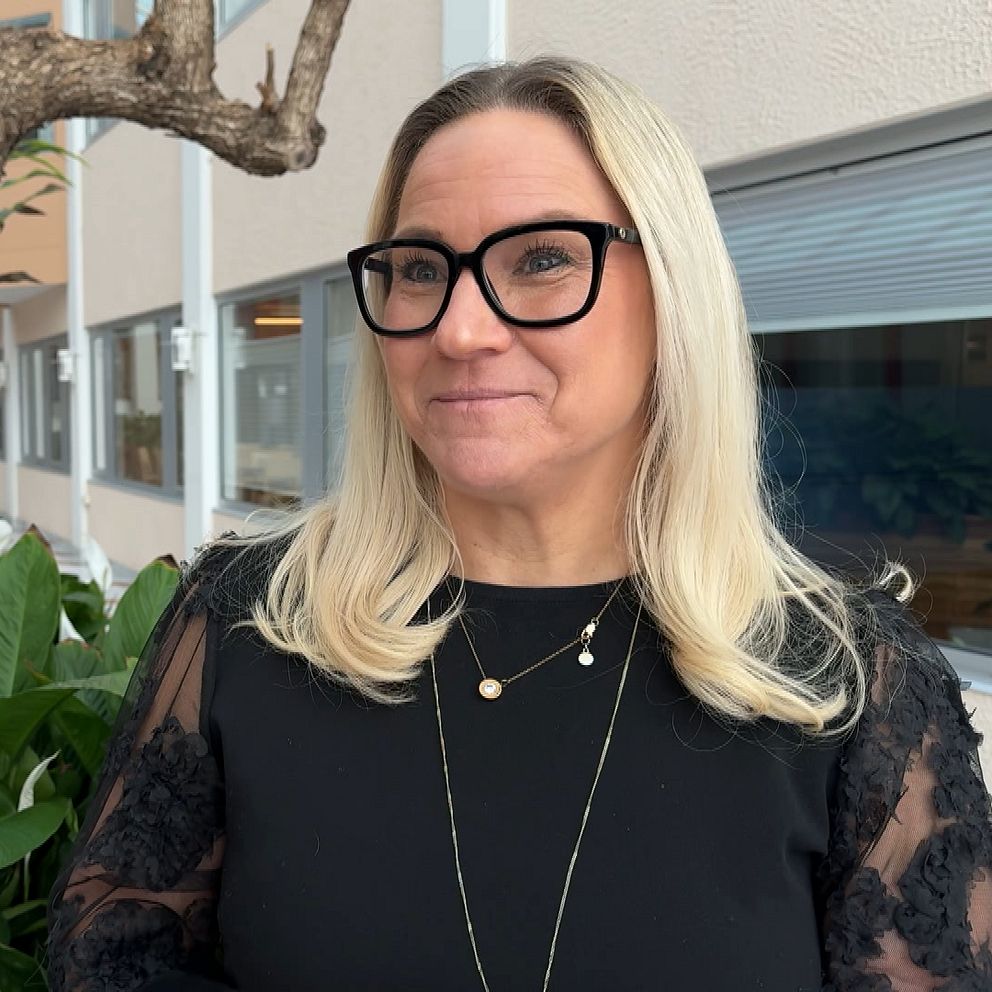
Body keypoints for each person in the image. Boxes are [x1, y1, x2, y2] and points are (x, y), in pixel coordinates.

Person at [47, 57, 991, 991]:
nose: (459, 330)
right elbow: (113, 958)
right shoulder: (252, 618)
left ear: (674, 292)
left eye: (541, 258)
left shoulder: (851, 680)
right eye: (421, 269)